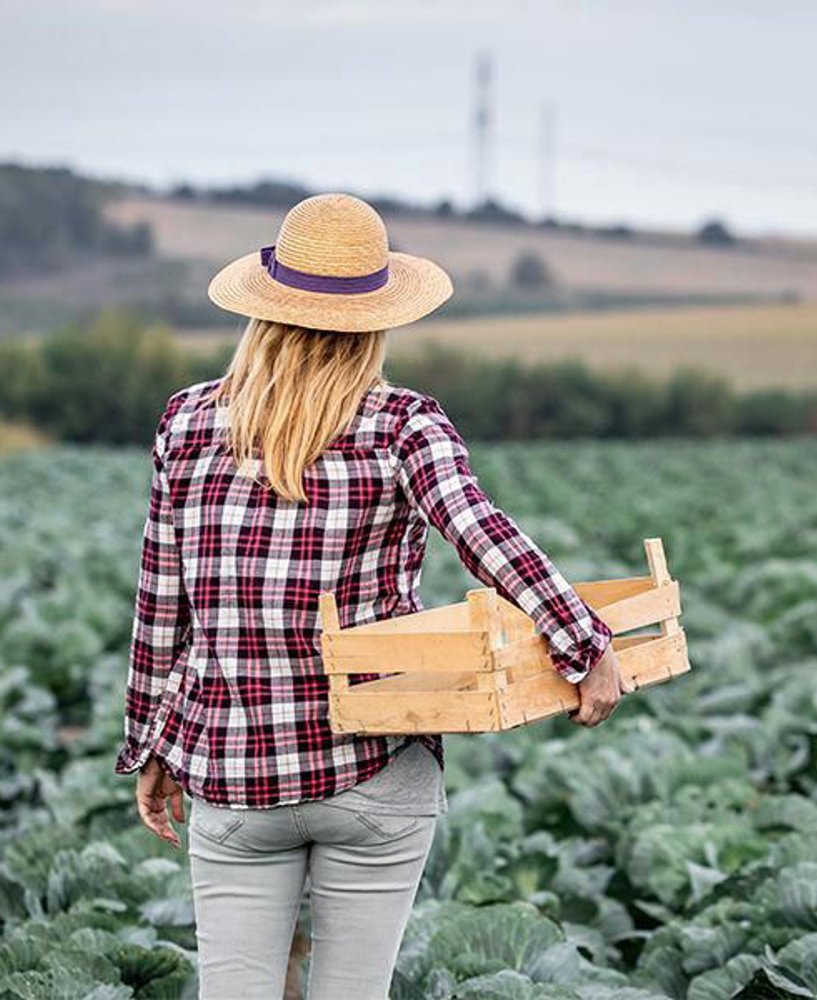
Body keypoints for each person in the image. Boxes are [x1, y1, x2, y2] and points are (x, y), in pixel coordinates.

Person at [114, 192, 633, 999]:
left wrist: (150, 744)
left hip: (233, 773)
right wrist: (585, 643)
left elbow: (160, 605)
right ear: (376, 320)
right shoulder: (404, 424)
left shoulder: (184, 422)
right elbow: (479, 531)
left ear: (264, 309)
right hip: (370, 767)